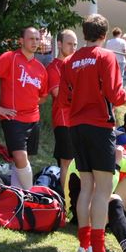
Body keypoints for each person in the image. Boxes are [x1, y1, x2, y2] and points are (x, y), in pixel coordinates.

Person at [58, 13, 126, 252]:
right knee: (103, 189)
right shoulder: (106, 56)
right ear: (104, 35)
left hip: (76, 127)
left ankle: (84, 245)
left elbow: (63, 100)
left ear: (84, 33)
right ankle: (98, 249)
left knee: (87, 186)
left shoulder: (69, 61)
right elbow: (115, 94)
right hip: (99, 127)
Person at [0, 26, 48, 190]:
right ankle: (31, 194)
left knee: (22, 161)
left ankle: (17, 196)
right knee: (20, 157)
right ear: (21, 41)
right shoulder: (10, 58)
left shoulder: (40, 68)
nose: (34, 42)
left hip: (33, 119)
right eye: (31, 38)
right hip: (13, 118)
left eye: (37, 39)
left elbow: (43, 96)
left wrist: (29, 101)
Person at [46, 29, 78, 190]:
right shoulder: (53, 67)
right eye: (69, 44)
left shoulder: (76, 66)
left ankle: (76, 197)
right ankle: (67, 199)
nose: (73, 48)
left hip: (79, 120)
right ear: (59, 44)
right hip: (64, 120)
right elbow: (58, 94)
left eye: (75, 44)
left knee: (80, 163)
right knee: (67, 162)